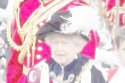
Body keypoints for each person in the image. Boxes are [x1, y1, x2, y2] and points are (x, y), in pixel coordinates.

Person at [36, 5, 106, 83]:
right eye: (55, 42)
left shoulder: (91, 73)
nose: (59, 48)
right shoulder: (40, 71)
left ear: (77, 46)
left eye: (65, 43)